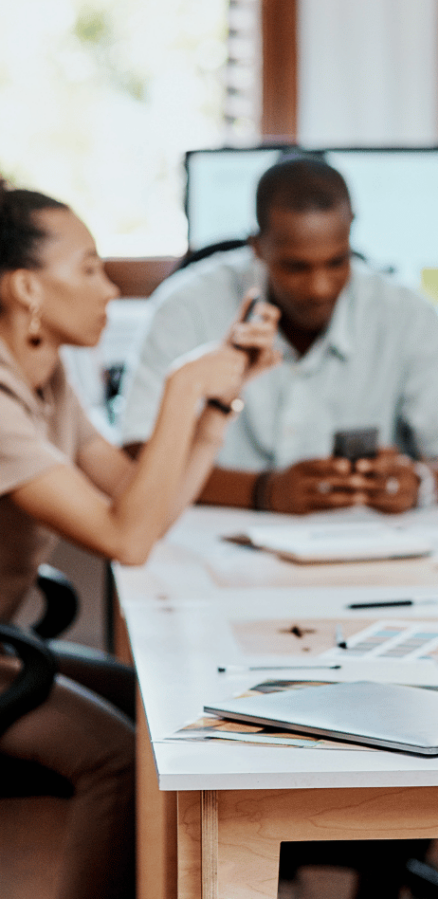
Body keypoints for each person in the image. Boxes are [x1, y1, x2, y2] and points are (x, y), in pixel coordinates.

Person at [0, 185, 279, 899]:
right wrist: (181, 390)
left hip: (7, 645)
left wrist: (214, 408)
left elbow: (139, 500)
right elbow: (126, 539)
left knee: (154, 708)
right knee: (121, 760)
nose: (110, 288)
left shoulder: (46, 376)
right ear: (28, 287)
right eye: (89, 268)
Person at [120, 156, 438, 514]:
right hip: (210, 546)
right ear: (258, 247)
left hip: (361, 551)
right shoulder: (186, 307)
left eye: (337, 262)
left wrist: (419, 483)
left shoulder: (405, 312)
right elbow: (135, 454)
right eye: (296, 267)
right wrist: (262, 491)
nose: (319, 287)